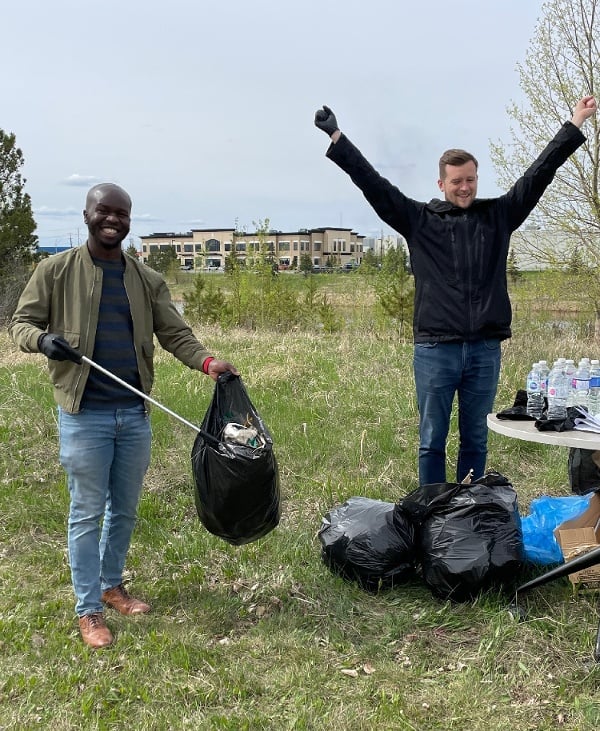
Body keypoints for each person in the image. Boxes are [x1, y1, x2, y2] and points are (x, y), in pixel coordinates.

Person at [315, 96, 598, 486]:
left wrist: (575, 122)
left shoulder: (498, 215)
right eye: (456, 181)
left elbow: (539, 173)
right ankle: (432, 511)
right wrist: (336, 136)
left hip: (484, 350)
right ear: (441, 183)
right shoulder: (418, 220)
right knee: (432, 439)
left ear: (476, 179)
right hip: (435, 350)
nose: (464, 188)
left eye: (470, 180)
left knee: (476, 439)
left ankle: (467, 510)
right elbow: (373, 184)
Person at [9, 183, 238, 649]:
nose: (113, 219)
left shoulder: (146, 279)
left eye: (122, 213)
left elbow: (176, 333)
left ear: (129, 220)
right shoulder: (54, 271)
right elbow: (20, 325)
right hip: (84, 416)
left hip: (133, 415)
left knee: (125, 511)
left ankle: (112, 586)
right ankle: (88, 609)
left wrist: (209, 364)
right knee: (86, 513)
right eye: (104, 211)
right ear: (87, 214)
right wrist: (42, 341)